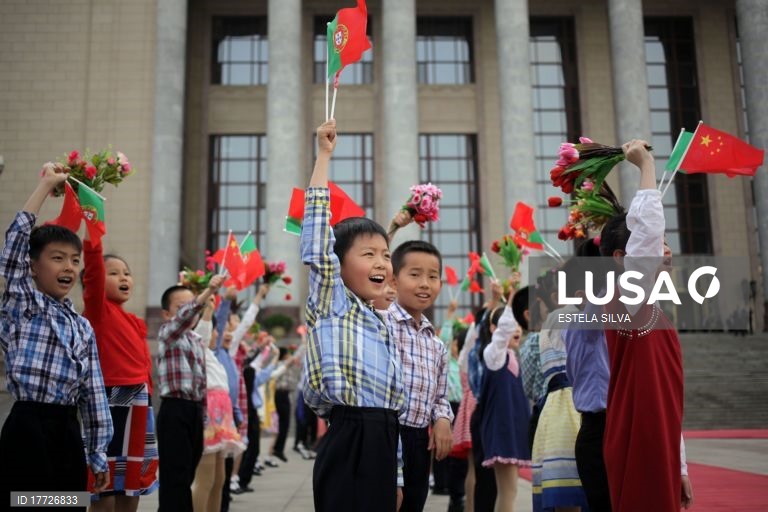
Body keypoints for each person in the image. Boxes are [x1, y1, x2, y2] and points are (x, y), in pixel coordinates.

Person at [301, 119, 406, 512]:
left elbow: (393, 410)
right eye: (368, 254)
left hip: (383, 437)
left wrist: (395, 475)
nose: (381, 262)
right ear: (338, 267)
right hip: (347, 435)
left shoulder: (381, 323)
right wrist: (323, 157)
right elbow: (316, 243)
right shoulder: (333, 302)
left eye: (385, 255)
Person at [0, 163, 113, 508]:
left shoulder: (82, 326)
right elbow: (14, 247)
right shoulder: (24, 302)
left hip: (67, 432)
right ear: (33, 266)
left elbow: (92, 393)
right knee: (29, 504)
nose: (68, 267)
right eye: (58, 258)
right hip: (27, 427)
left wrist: (97, 453)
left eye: (74, 261)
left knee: (65, 503)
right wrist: (46, 186)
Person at [599, 139, 693, 511]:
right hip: (640, 438)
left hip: (659, 440)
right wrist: (647, 167)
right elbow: (645, 243)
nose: (664, 250)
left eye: (664, 244)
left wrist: (680, 464)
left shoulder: (649, 308)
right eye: (657, 243)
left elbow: (667, 394)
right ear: (624, 257)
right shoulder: (625, 300)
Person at [81, 229, 157, 511]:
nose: (124, 278)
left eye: (127, 273)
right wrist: (92, 233)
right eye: (113, 273)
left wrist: (147, 394)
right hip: (111, 400)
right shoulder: (98, 311)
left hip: (140, 402)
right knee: (105, 483)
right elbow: (93, 274)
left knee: (132, 480)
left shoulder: (135, 321)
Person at [386, 239, 454, 512]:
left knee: (414, 503)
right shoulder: (380, 323)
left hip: (419, 440)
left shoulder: (436, 343)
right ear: (393, 280)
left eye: (433, 276)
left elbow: (440, 395)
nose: (425, 283)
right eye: (414, 275)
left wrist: (442, 419)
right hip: (388, 434)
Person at [155, 274, 225, 512]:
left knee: (186, 476)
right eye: (181, 306)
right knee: (175, 478)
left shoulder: (195, 339)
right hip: (175, 409)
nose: (190, 310)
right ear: (166, 314)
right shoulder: (168, 333)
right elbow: (185, 317)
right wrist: (206, 292)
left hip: (194, 410)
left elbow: (200, 383)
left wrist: (203, 417)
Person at [480, 284, 531, 512]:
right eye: (513, 325)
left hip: (513, 430)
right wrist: (511, 299)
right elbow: (502, 333)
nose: (517, 329)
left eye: (520, 325)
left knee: (510, 491)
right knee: (507, 492)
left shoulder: (513, 356)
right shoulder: (494, 354)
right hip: (502, 430)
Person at [191, 303, 245, 512]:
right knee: (205, 478)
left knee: (219, 479)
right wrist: (208, 310)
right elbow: (203, 332)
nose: (217, 333)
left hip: (223, 417)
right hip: (210, 416)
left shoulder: (214, 355)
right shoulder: (199, 349)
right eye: (215, 330)